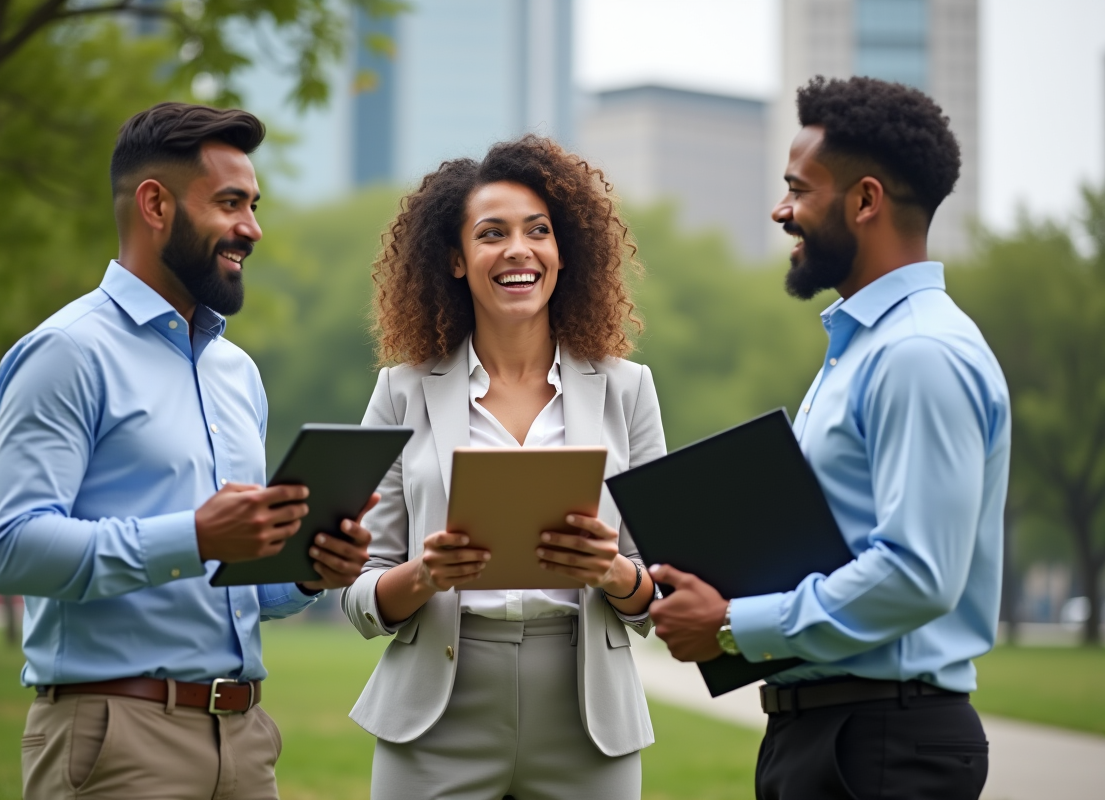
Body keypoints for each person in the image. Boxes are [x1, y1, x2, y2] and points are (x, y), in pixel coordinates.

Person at [0, 102, 374, 800]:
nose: (252, 228)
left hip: (246, 740)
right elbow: (13, 549)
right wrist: (195, 536)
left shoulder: (238, 374)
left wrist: (309, 573)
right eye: (229, 203)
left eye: (253, 205)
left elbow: (234, 585)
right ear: (155, 205)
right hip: (116, 739)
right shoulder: (66, 353)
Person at [648, 76, 1011, 800]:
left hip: (882, 743)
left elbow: (917, 574)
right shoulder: (863, 351)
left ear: (865, 200)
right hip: (830, 732)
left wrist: (731, 624)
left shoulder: (918, 354)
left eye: (797, 189)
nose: (781, 210)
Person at [341, 135, 665, 800]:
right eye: (492, 234)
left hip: (587, 716)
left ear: (563, 252)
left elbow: (664, 586)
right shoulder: (400, 392)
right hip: (436, 713)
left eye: (538, 231)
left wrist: (612, 571)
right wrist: (425, 575)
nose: (519, 249)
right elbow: (356, 587)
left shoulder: (629, 389)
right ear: (456, 260)